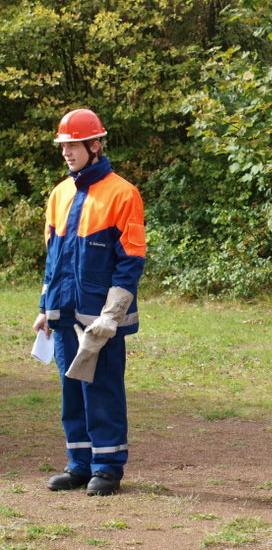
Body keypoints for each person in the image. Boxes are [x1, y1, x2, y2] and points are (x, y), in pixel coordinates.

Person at [32, 108, 146, 496]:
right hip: (64, 314)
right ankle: (79, 465)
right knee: (71, 392)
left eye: (74, 145)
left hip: (100, 321)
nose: (66, 152)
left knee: (103, 392)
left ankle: (108, 468)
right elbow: (53, 259)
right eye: (63, 146)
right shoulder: (59, 193)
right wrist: (44, 308)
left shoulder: (123, 193)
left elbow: (131, 261)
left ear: (95, 145)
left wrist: (112, 316)